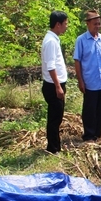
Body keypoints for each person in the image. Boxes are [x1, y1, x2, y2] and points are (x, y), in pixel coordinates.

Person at [73, 10, 101, 142]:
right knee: (89, 110)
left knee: (100, 109)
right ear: (88, 24)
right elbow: (77, 61)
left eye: (99, 24)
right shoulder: (81, 40)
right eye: (95, 24)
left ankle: (97, 134)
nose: (98, 26)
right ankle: (89, 135)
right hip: (90, 81)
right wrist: (80, 81)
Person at [41, 10, 69, 154]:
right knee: (54, 119)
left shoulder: (53, 39)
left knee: (56, 117)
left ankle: (55, 145)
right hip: (53, 85)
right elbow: (51, 66)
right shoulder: (51, 41)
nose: (66, 26)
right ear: (57, 24)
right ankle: (53, 148)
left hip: (55, 84)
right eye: (65, 23)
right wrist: (58, 87)